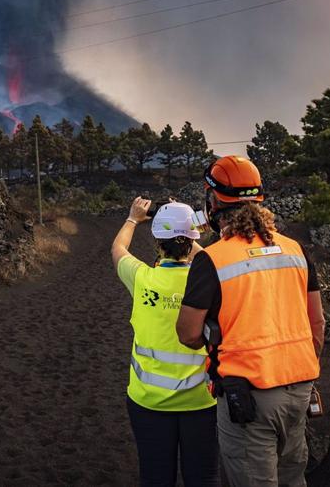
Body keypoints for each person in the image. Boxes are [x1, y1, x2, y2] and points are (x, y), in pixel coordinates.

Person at [176, 156, 326, 487]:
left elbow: (187, 333)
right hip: (300, 391)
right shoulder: (295, 250)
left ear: (213, 202)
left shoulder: (212, 260)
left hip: (248, 402)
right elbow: (317, 324)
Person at [111, 197, 219, 487]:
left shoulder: (142, 279)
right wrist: (184, 220)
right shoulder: (208, 280)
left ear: (158, 243)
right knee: (204, 478)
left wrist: (133, 219)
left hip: (148, 402)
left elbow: (118, 249)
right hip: (201, 402)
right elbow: (208, 261)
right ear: (192, 239)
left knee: (156, 477)